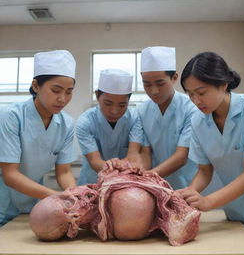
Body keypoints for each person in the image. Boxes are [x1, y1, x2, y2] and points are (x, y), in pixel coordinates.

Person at [179, 51, 244, 232]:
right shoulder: (198, 121)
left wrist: (208, 202)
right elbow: (204, 171)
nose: (196, 101)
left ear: (223, 84)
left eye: (201, 92)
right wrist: (190, 194)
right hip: (236, 217)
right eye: (190, 94)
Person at [0, 50, 77, 226]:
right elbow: (10, 174)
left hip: (31, 204)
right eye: (55, 90)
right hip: (3, 201)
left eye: (69, 92)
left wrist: (75, 195)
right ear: (36, 86)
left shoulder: (66, 124)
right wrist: (55, 196)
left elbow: (64, 172)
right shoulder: (11, 117)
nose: (62, 99)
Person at [138, 46, 197, 189]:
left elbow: (181, 156)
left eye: (160, 83)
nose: (154, 91)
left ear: (174, 78)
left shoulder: (191, 109)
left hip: (189, 184)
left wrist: (147, 178)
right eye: (147, 84)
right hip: (156, 186)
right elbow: (146, 152)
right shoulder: (142, 110)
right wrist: (142, 177)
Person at [76, 68, 143, 185]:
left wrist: (124, 166)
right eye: (108, 103)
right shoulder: (85, 121)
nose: (114, 111)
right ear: (97, 95)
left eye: (122, 105)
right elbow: (94, 161)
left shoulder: (135, 118)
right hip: (93, 182)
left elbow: (133, 154)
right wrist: (112, 166)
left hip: (125, 183)